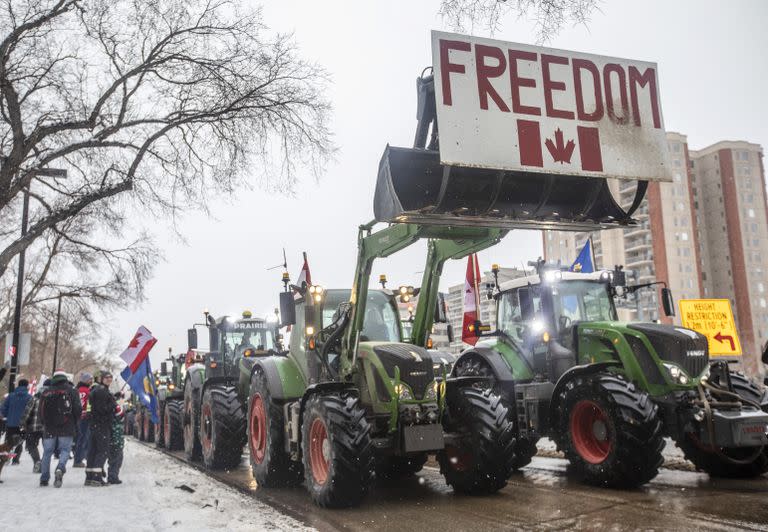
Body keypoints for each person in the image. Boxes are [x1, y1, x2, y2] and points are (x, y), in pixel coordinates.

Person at [39, 370, 81, 487]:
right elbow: (77, 410)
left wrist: (44, 423)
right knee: (65, 450)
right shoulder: (72, 391)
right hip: (67, 426)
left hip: (49, 426)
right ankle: (60, 468)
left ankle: (44, 478)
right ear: (65, 378)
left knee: (47, 452)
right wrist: (75, 422)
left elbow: (40, 411)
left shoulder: (46, 391)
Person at [85, 370, 116, 486]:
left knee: (93, 451)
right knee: (102, 451)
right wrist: (113, 404)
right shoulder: (102, 392)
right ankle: (96, 478)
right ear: (101, 379)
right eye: (106, 377)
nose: (109, 379)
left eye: (110, 377)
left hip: (94, 425)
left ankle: (89, 477)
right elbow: (102, 409)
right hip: (101, 425)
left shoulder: (96, 391)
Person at [1, 378, 32, 465]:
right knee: (19, 442)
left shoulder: (11, 396)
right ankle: (15, 459)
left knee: (8, 442)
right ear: (27, 386)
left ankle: (5, 458)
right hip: (22, 424)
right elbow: (31, 411)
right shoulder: (29, 397)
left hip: (10, 423)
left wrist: (4, 415)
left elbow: (4, 408)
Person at [21, 381, 45, 473]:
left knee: (31, 445)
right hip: (46, 428)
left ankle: (37, 461)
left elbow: (26, 413)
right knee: (47, 447)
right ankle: (44, 463)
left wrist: (22, 424)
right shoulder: (50, 400)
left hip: (32, 427)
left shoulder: (34, 399)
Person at [72, 372, 93, 467]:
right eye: (90, 380)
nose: (91, 381)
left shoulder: (77, 390)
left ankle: (80, 457)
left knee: (80, 438)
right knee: (83, 438)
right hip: (85, 417)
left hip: (77, 417)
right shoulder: (87, 392)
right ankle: (78, 460)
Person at [107, 399, 125, 485]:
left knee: (115, 458)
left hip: (114, 439)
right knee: (116, 458)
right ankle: (113, 477)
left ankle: (113, 475)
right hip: (116, 440)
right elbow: (121, 414)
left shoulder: (109, 408)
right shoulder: (114, 408)